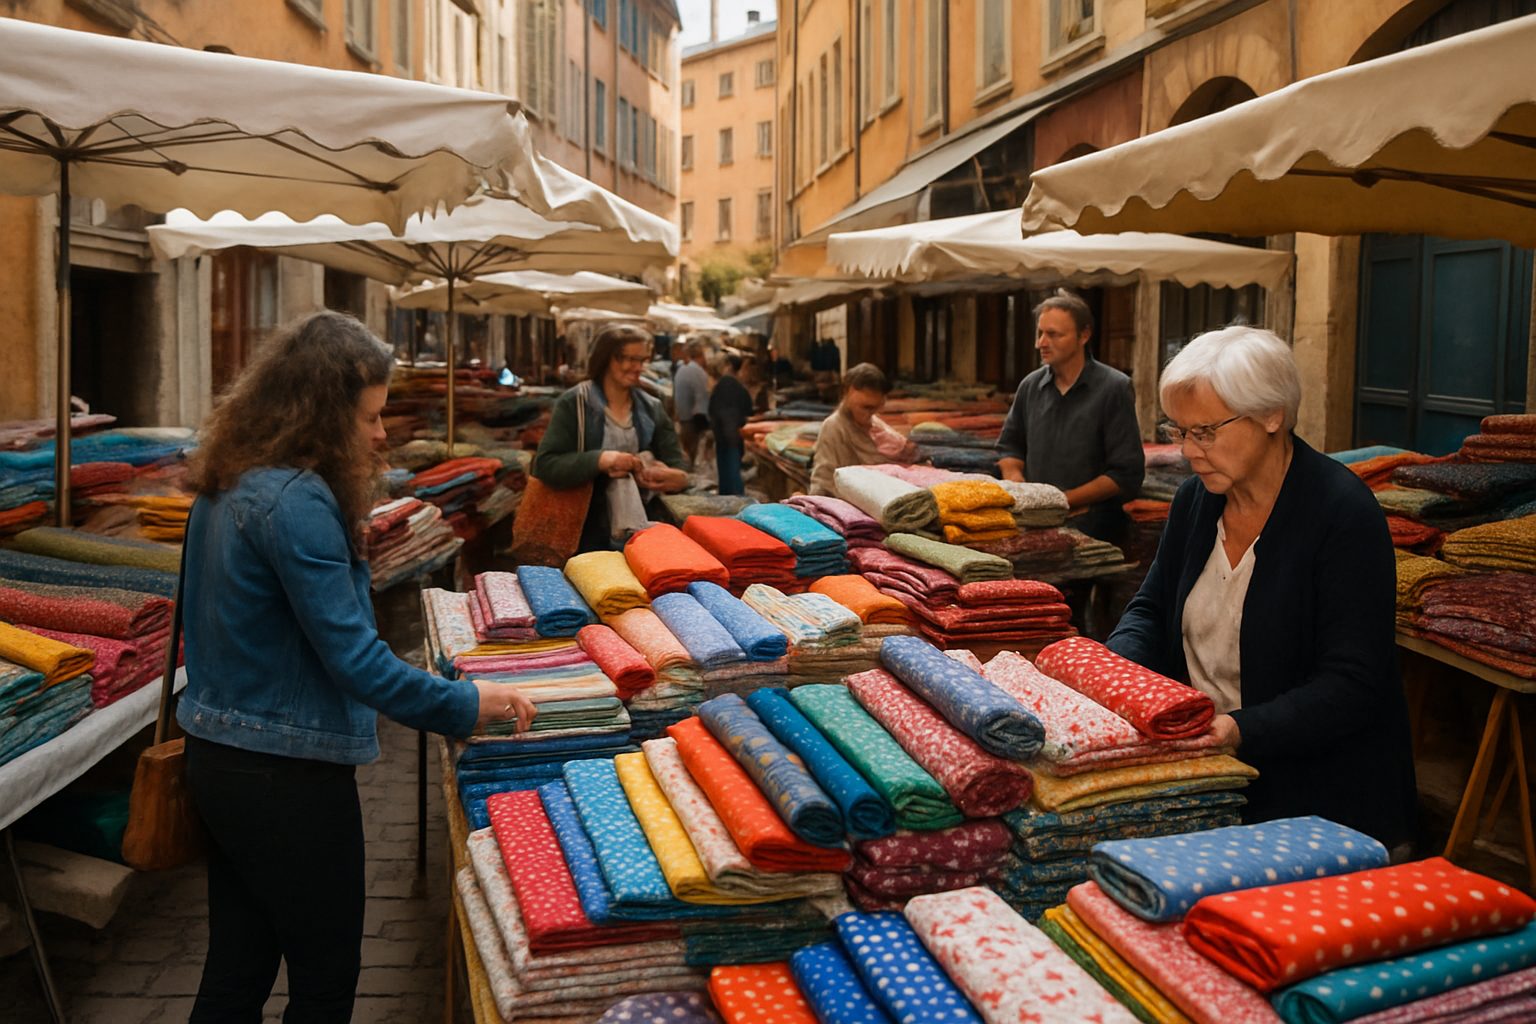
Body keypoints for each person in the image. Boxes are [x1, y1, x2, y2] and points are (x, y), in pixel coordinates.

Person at [177, 312, 537, 1022]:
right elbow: (355, 660)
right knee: (324, 977)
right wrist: (466, 704)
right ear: (320, 410)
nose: (380, 434)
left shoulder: (230, 480)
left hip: (218, 757)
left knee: (237, 969)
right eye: (368, 417)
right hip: (287, 775)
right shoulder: (297, 499)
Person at [1108, 325, 1416, 846]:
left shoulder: (1342, 514)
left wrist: (1240, 728)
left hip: (1322, 805)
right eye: (1178, 430)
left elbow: (1351, 684)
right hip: (1218, 787)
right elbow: (1152, 608)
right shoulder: (1195, 502)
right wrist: (1116, 675)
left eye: (1204, 432)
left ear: (1272, 415)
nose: (1187, 450)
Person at [996, 290, 1144, 545]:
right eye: (1040, 333)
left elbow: (1126, 473)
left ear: (1084, 335)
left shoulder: (1114, 388)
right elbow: (1010, 446)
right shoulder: (1030, 386)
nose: (1041, 342)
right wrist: (1018, 484)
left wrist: (1066, 499)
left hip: (1096, 528)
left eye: (1053, 334)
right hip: (1035, 522)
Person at [532, 323, 689, 552]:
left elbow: (678, 465)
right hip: (583, 532)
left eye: (642, 360)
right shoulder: (575, 403)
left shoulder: (651, 407)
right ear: (607, 358)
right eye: (629, 359)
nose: (637, 367)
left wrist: (677, 478)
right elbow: (545, 464)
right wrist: (602, 460)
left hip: (640, 532)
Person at [809, 362, 918, 498]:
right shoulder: (834, 427)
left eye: (874, 408)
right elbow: (823, 481)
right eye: (864, 407)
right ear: (847, 393)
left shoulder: (876, 424)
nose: (868, 414)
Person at [709, 353, 755, 496]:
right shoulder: (734, 386)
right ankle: (733, 501)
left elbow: (723, 412)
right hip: (732, 435)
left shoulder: (726, 385)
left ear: (728, 366)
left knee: (729, 473)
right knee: (730, 472)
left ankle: (734, 502)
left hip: (727, 435)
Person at [673, 339, 712, 465]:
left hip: (685, 418)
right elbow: (702, 399)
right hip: (694, 420)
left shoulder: (683, 369)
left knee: (689, 451)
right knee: (694, 454)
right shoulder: (697, 372)